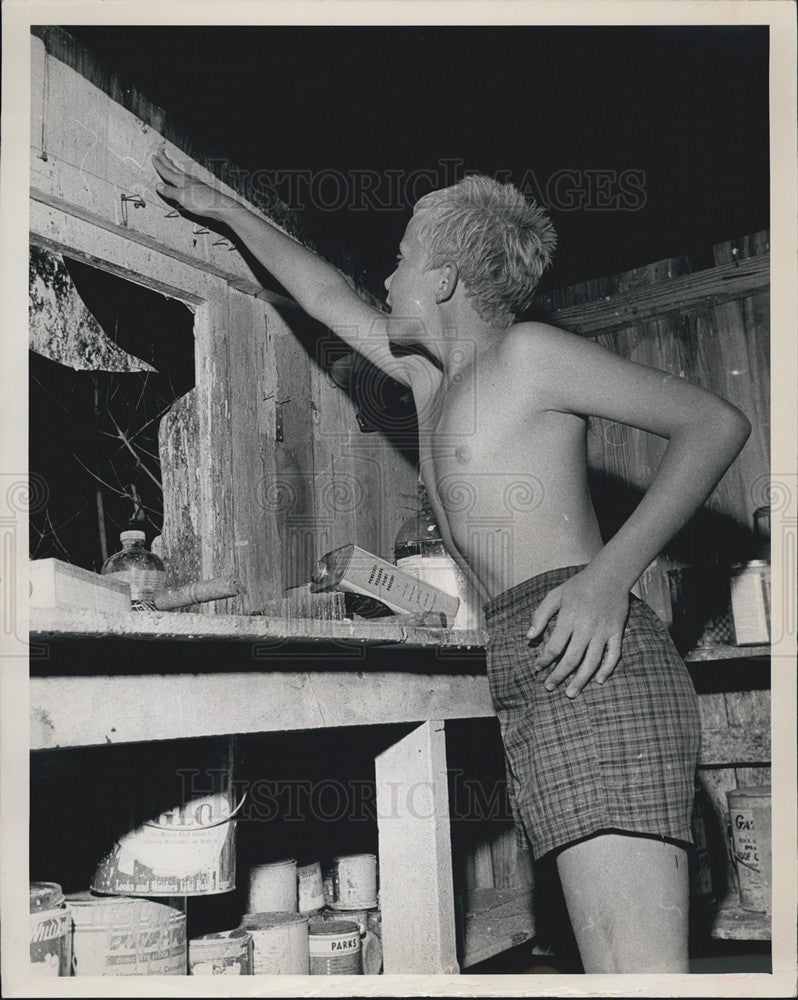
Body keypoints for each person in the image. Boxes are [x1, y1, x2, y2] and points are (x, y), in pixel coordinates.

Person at [152, 149, 751, 973]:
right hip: (530, 659)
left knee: (637, 972)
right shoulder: (431, 380)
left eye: (400, 259)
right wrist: (224, 210)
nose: (387, 279)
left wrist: (611, 577)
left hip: (594, 666)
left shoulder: (527, 355)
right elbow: (326, 297)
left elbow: (714, 423)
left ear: (440, 281)